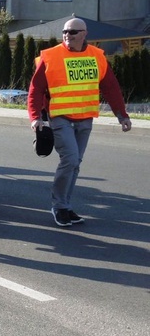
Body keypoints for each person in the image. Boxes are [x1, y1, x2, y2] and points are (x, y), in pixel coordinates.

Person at [28, 17, 131, 227]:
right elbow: (36, 88)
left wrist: (122, 115)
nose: (67, 35)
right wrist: (35, 116)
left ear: (85, 34)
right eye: (65, 31)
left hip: (85, 119)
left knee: (75, 165)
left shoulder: (97, 56)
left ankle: (65, 206)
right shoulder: (51, 56)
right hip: (60, 118)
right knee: (71, 160)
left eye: (73, 32)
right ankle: (58, 206)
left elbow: (111, 87)